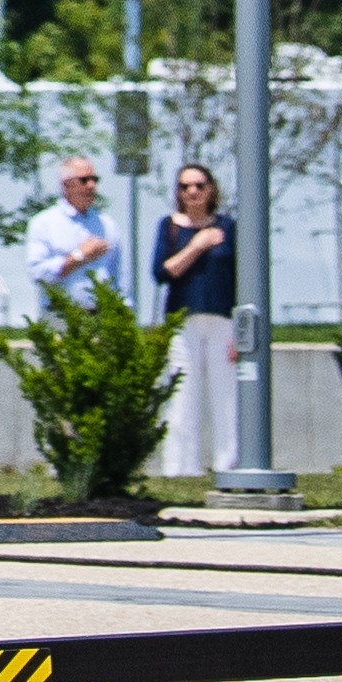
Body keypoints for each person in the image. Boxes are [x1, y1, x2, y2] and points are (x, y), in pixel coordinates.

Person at [154, 162, 242, 476]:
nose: (193, 192)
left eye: (199, 185)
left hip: (221, 321)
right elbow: (163, 272)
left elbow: (240, 279)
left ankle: (227, 464)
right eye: (185, 186)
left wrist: (239, 334)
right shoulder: (171, 227)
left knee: (225, 396)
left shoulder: (228, 228)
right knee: (182, 396)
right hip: (184, 322)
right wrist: (197, 245)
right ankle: (180, 468)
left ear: (211, 189)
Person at [26, 157, 119, 306]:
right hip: (58, 314)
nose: (91, 185)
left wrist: (126, 310)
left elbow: (119, 276)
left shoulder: (108, 225)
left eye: (94, 179)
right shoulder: (43, 223)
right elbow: (38, 274)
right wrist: (79, 256)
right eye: (84, 180)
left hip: (100, 315)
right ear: (66, 185)